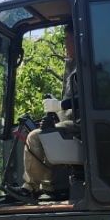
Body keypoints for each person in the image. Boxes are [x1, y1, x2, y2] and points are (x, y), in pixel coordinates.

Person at [23, 24, 78, 195]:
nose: (66, 46)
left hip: (83, 126)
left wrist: (60, 106)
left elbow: (87, 100)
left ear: (78, 41)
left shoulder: (85, 67)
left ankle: (31, 187)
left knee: (34, 137)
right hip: (73, 122)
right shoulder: (73, 65)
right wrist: (56, 110)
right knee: (47, 130)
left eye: (68, 40)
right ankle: (47, 187)